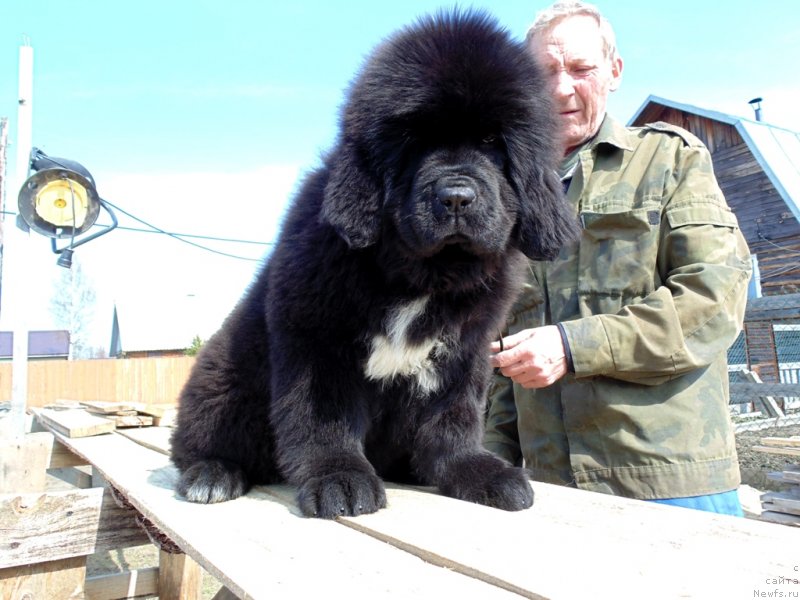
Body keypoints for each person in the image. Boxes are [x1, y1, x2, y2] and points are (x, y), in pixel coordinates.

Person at [484, 0, 752, 516]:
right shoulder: (505, 195)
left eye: (581, 69)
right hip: (550, 487)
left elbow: (713, 302)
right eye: (544, 73)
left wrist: (573, 346)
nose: (561, 89)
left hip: (670, 482)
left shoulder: (670, 158)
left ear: (614, 71)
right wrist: (488, 460)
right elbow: (501, 358)